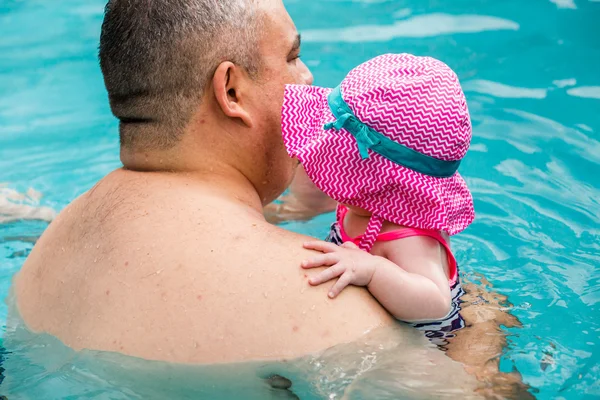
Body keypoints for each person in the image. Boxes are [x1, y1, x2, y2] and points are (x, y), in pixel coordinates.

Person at [12, 0, 393, 366]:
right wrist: (448, 300)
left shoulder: (50, 249)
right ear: (231, 91)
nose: (308, 76)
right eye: (292, 57)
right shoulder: (326, 297)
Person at [280, 53, 474, 338]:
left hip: (432, 342)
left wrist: (372, 270)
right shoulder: (366, 204)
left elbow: (436, 301)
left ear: (370, 179)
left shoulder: (409, 238)